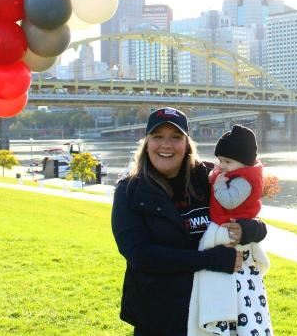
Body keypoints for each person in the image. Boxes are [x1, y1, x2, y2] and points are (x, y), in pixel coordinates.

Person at [111, 108, 268, 336]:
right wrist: (209, 260)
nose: (166, 145)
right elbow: (140, 255)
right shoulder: (129, 190)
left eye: (175, 137)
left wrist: (251, 229)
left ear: (187, 143)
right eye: (158, 137)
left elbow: (252, 213)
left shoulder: (211, 178)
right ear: (146, 143)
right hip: (158, 315)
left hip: (212, 310)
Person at [188, 125, 273, 336]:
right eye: (220, 161)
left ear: (243, 162)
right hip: (224, 229)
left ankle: (228, 322)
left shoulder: (244, 180)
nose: (222, 166)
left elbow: (229, 199)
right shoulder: (230, 173)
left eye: (227, 162)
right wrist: (217, 176)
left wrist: (217, 184)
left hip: (228, 228)